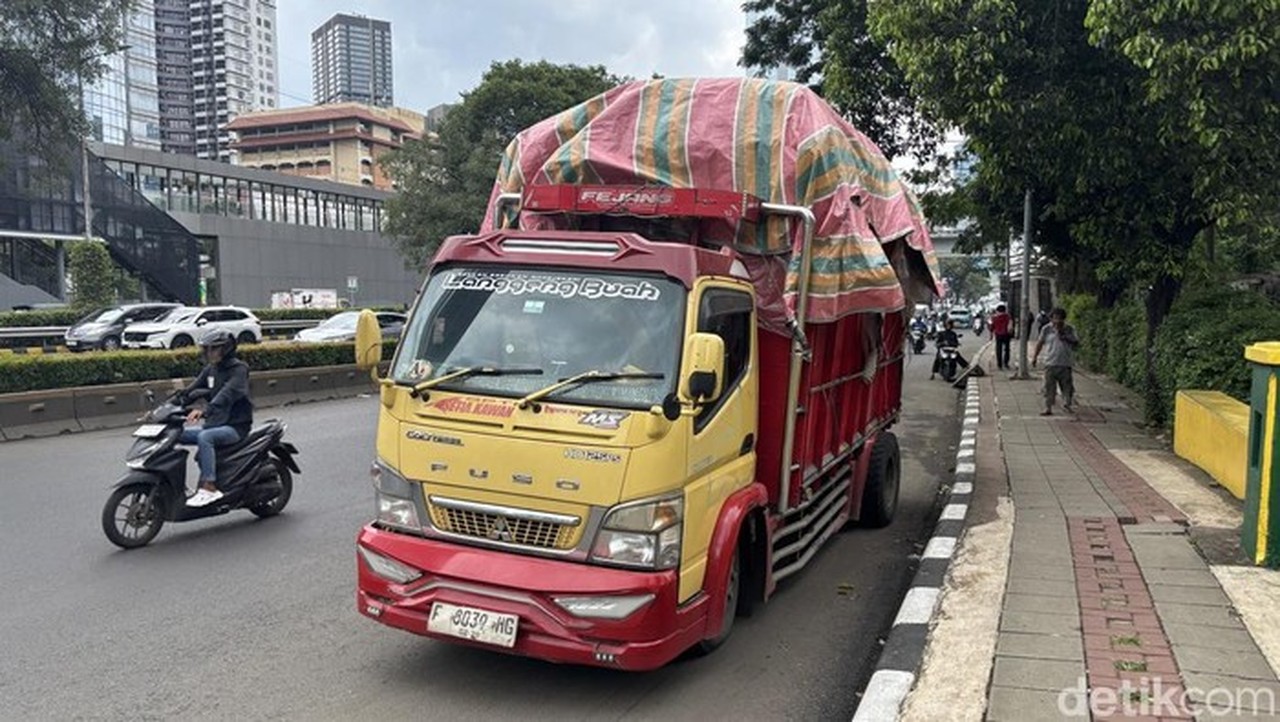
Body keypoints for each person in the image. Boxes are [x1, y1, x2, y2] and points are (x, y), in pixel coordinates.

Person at [180, 329, 253, 507]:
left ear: (226, 349)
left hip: (235, 427)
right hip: (215, 424)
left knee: (205, 437)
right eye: (207, 349)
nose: (209, 353)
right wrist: (164, 408)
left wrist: (204, 410)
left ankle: (209, 486)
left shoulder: (239, 369)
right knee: (176, 434)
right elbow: (190, 391)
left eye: (213, 349)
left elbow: (226, 394)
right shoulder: (211, 369)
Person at [1032, 307, 1080, 416]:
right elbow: (1040, 343)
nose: (1057, 321)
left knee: (1067, 387)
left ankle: (1067, 404)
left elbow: (1076, 343)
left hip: (1065, 363)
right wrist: (1035, 357)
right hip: (1050, 362)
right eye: (1055, 318)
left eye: (1060, 318)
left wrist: (1065, 336)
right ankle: (1048, 407)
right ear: (1051, 318)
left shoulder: (1070, 329)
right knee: (1049, 387)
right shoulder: (1046, 329)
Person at [989, 304, 1013, 370]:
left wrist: (991, 335)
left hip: (998, 335)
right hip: (1006, 335)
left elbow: (992, 327)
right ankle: (1006, 363)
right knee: (1007, 349)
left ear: (998, 311)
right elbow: (1010, 326)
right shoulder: (1008, 317)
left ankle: (999, 364)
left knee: (998, 349)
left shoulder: (994, 318)